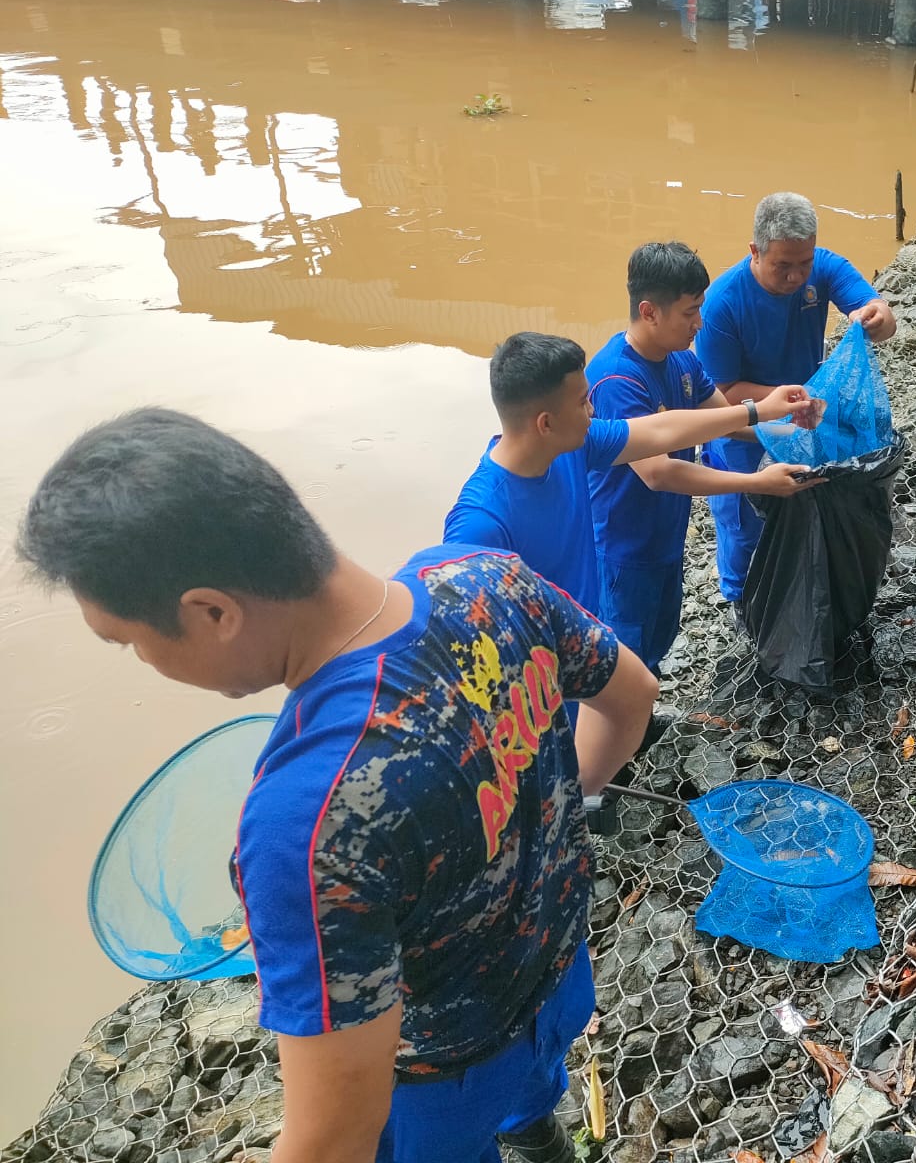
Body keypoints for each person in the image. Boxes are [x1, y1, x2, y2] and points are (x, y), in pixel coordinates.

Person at [17, 407, 660, 1163]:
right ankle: (540, 1135)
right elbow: (633, 696)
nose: (144, 663)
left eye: (130, 642)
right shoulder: (488, 578)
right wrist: (533, 800)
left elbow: (335, 1137)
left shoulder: (304, 821)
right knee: (533, 1091)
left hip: (446, 1076)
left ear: (212, 611)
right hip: (559, 972)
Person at [443, 330, 819, 622]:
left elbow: (659, 431)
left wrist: (757, 412)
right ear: (545, 423)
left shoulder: (575, 445)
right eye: (582, 402)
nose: (592, 409)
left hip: (584, 643)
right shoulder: (480, 521)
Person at [585, 242, 823, 675]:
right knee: (622, 663)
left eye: (701, 308)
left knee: (657, 643)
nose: (700, 322)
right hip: (623, 549)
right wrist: (758, 483)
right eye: (690, 312)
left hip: (666, 536)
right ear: (650, 311)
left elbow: (725, 422)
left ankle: (643, 732)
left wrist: (793, 424)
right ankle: (623, 740)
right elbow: (658, 472)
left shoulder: (680, 360)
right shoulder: (616, 379)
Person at [695, 192, 897, 608]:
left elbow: (880, 312)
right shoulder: (721, 305)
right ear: (754, 251)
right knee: (745, 526)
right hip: (744, 433)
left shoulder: (823, 267)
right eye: (782, 266)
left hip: (805, 416)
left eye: (803, 264)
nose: (795, 277)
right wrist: (788, 401)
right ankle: (742, 605)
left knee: (805, 503)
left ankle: (803, 593)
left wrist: (876, 317)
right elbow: (722, 396)